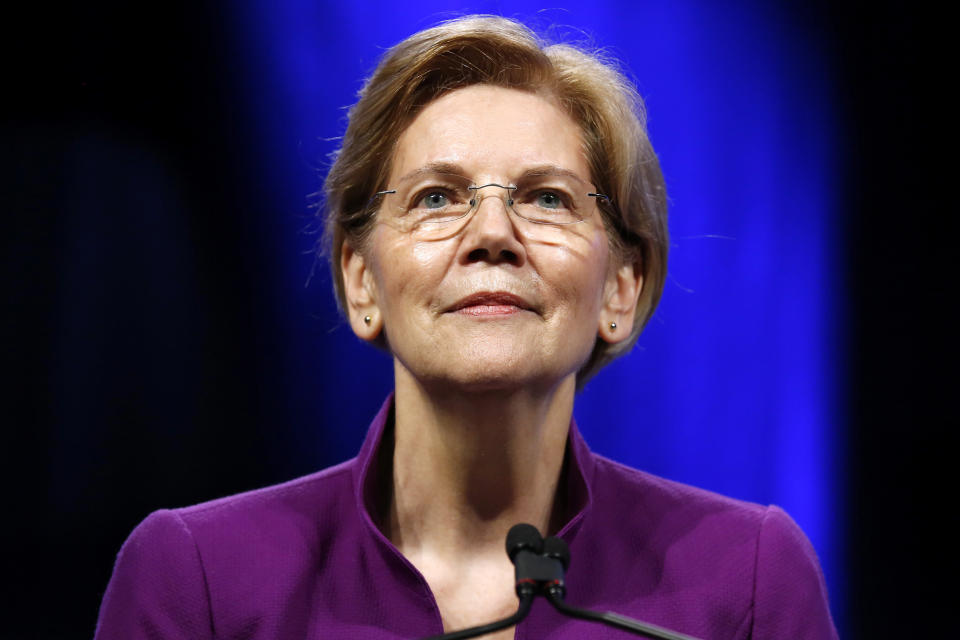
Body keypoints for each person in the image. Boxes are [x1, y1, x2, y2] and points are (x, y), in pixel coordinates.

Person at [95, 15, 838, 640]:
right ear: (361, 281)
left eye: (546, 199)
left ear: (621, 287)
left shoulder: (746, 581)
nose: (492, 232)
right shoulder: (198, 582)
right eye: (435, 198)